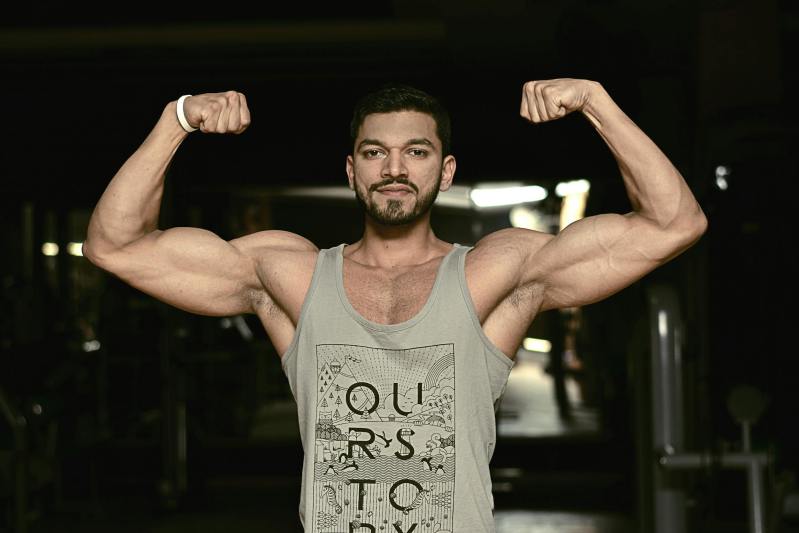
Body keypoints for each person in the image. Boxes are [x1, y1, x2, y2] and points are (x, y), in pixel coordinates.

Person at [83, 79, 707, 532]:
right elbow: (114, 246)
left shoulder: (496, 272)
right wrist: (178, 118)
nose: (395, 168)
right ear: (352, 171)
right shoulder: (287, 273)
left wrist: (597, 102)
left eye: (417, 151)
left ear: (446, 170)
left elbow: (674, 224)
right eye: (375, 152)